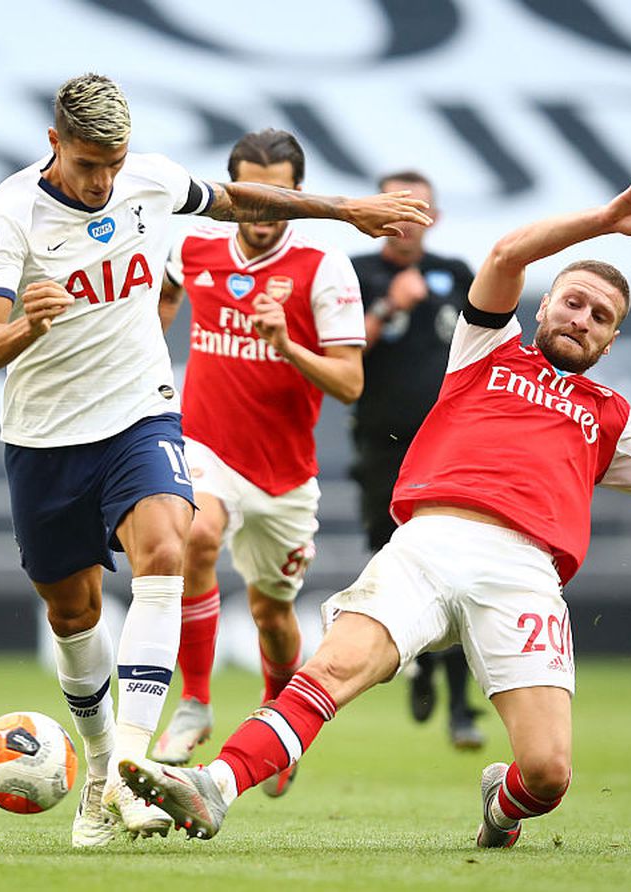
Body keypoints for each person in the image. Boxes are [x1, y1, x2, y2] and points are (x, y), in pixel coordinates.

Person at [116, 169, 631, 845]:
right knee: (334, 671)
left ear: (611, 341)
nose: (581, 318)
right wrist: (602, 223)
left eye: (599, 317)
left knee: (549, 774)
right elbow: (505, 255)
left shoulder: (612, 418)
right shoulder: (489, 347)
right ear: (546, 304)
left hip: (525, 575)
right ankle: (215, 788)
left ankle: (503, 805)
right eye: (572, 302)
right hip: (429, 542)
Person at [0, 73, 430, 848]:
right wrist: (24, 329)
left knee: (171, 547)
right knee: (72, 613)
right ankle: (106, 766)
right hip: (44, 437)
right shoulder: (10, 213)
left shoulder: (148, 180)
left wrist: (348, 211)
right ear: (53, 144)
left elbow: (246, 201)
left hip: (139, 414)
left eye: (113, 162)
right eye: (87, 164)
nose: (104, 180)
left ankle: (133, 768)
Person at [148, 130, 365, 798]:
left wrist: (286, 344)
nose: (263, 210)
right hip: (205, 445)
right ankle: (196, 701)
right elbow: (160, 302)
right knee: (197, 534)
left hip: (285, 477)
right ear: (232, 188)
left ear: (299, 194)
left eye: (278, 196)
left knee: (274, 615)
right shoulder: (193, 244)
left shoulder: (325, 268)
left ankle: (276, 715)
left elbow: (350, 383)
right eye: (250, 194)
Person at [349, 169, 483, 749]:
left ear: (436, 217)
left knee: (456, 561)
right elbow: (339, 354)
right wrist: (384, 306)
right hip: (381, 448)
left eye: (418, 209)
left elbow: (487, 344)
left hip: (450, 447)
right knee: (394, 561)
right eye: (394, 208)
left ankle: (460, 705)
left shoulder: (456, 276)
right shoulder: (355, 273)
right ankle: (422, 668)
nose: (406, 221)